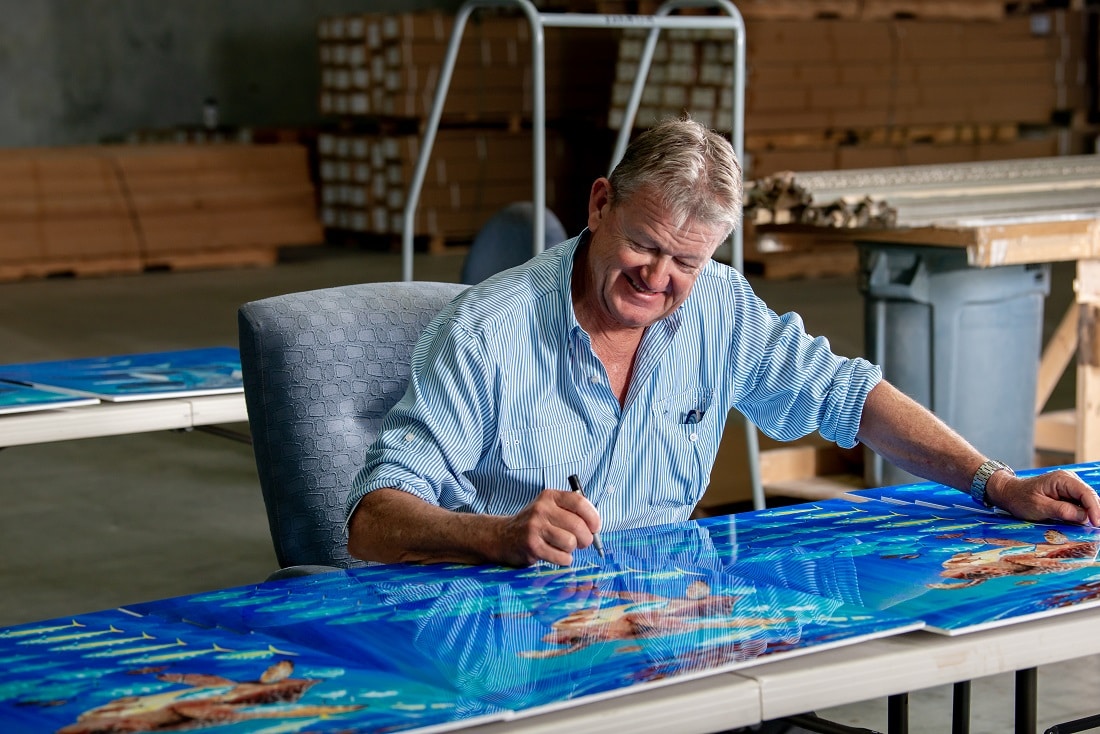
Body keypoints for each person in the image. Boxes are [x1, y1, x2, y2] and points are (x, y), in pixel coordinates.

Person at [346, 116, 1100, 568]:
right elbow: (372, 519)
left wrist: (995, 483)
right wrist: (497, 536)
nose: (658, 280)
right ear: (600, 203)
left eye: (687, 262)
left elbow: (847, 394)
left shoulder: (719, 308)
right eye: (644, 245)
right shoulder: (485, 335)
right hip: (510, 627)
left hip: (656, 622)